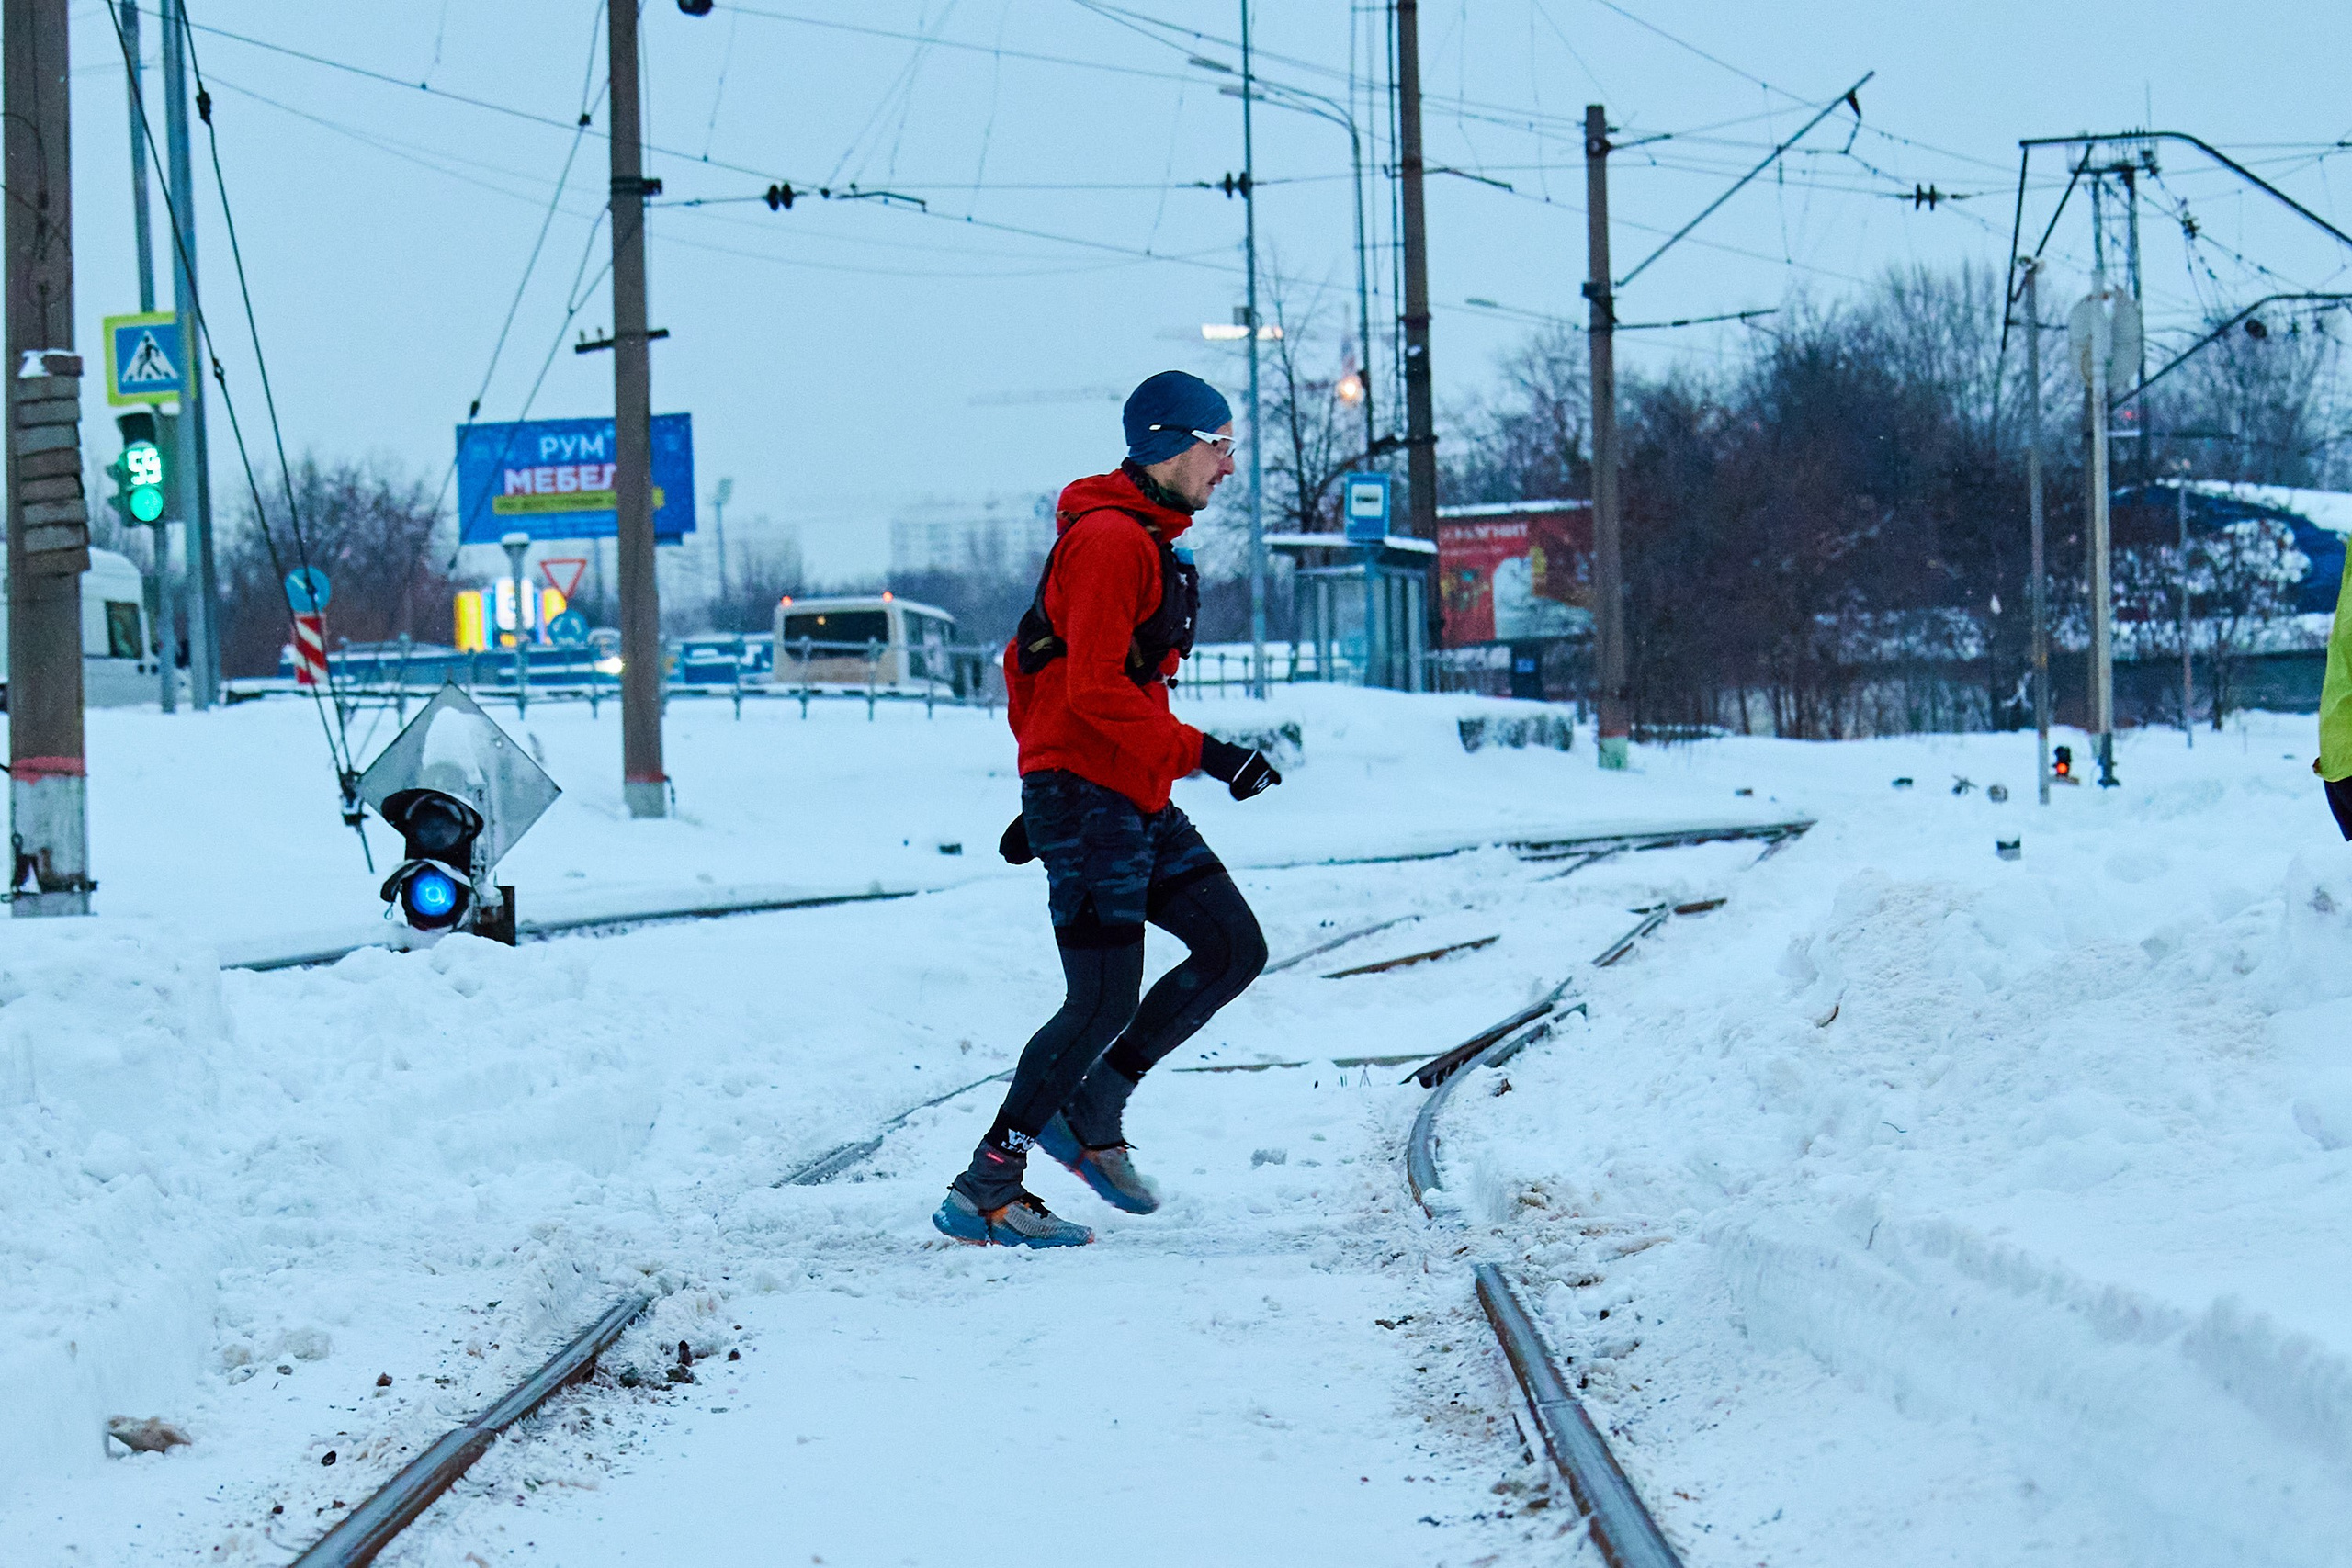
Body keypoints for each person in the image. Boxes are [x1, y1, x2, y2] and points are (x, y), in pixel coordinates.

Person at [934, 370, 1283, 1248]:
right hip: (1097, 796)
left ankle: (1095, 1102)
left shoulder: (1151, 542)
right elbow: (1084, 685)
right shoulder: (1109, 543)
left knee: (1233, 947)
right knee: (1099, 999)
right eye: (1220, 446)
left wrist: (1048, 772)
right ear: (1170, 444)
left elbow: (1035, 666)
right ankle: (988, 1183)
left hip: (1127, 794)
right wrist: (1201, 755)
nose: (1228, 468)